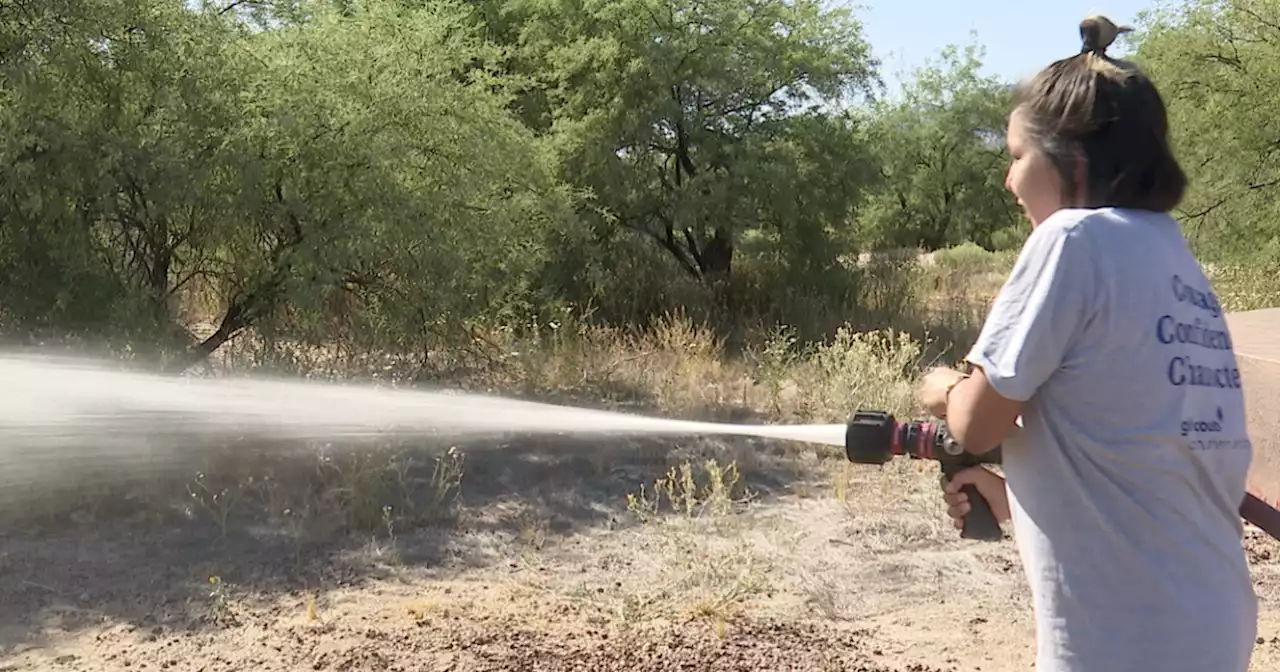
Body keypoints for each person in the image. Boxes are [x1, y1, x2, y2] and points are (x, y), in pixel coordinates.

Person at [916, 14, 1259, 672]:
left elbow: (979, 418)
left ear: (1069, 160)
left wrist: (941, 390)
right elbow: (1137, 454)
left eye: (1016, 158)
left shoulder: (1073, 241)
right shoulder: (1172, 256)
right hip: (1209, 618)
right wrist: (1020, 495)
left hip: (1123, 638)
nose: (1008, 182)